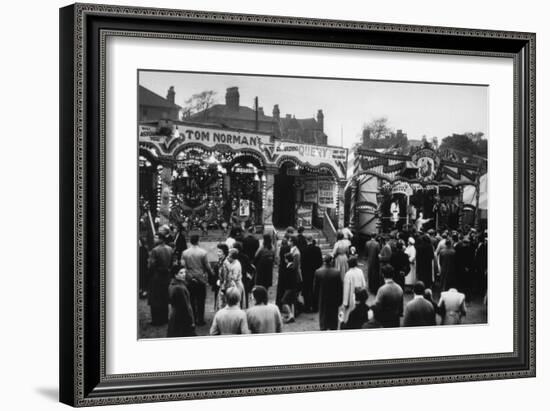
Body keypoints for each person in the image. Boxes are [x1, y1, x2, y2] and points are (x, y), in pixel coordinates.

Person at [180, 234, 214, 326]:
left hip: (189, 278)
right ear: (198, 241)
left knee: (191, 299)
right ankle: (200, 319)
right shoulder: (203, 252)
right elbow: (207, 266)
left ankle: (193, 318)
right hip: (200, 277)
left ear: (190, 241)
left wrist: (189, 275)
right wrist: (211, 274)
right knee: (201, 299)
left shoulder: (185, 253)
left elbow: (183, 266)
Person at [147, 226, 174, 326]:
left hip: (156, 277)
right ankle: (165, 318)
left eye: (156, 237)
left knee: (155, 299)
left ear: (161, 239)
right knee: (164, 298)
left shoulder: (155, 250)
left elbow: (151, 266)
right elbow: (172, 263)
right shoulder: (170, 249)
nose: (154, 239)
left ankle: (156, 320)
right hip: (166, 276)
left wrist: (149, 274)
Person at [313, 255, 343, 331]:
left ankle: (323, 328)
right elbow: (340, 288)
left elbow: (316, 289)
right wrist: (340, 300)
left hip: (322, 299)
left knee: (323, 318)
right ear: (331, 261)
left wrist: (316, 300)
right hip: (333, 299)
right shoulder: (336, 272)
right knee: (333, 319)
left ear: (324, 261)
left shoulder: (318, 272)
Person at [167, 267, 196, 337]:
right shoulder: (179, 288)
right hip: (181, 318)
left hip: (175, 316)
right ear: (175, 275)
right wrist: (191, 321)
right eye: (181, 273)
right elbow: (185, 306)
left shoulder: (173, 285)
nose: (184, 274)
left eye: (185, 272)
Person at [301, 234, 323, 312]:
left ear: (306, 240)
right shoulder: (317, 249)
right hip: (315, 272)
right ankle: (315, 307)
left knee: (307, 289)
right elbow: (320, 262)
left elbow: (302, 263)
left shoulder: (304, 250)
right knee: (315, 289)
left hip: (306, 272)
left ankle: (307, 307)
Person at [342, 256, 367, 324]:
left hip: (352, 296)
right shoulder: (360, 271)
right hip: (360, 294)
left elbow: (346, 289)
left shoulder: (348, 274)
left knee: (351, 313)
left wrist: (345, 302)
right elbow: (364, 284)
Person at [233, 242, 255, 308]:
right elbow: (250, 268)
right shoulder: (245, 257)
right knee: (244, 294)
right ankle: (244, 307)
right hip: (243, 276)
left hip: (235, 277)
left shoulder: (233, 257)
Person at [280, 252, 300, 323]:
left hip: (289, 287)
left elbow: (288, 279)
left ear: (287, 259)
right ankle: (292, 314)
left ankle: (290, 314)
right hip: (293, 287)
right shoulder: (293, 267)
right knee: (292, 301)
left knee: (284, 301)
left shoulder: (289, 268)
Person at [214, 243, 229, 309]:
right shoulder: (220, 261)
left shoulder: (225, 263)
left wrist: (223, 290)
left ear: (224, 253)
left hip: (225, 288)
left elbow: (226, 278)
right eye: (217, 251)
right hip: (221, 286)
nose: (218, 253)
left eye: (220, 251)